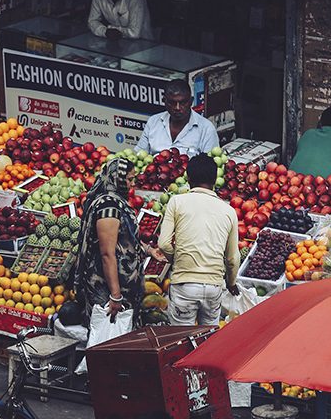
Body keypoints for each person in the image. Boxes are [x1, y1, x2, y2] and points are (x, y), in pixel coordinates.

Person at [72, 156, 165, 327]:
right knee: (108, 340)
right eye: (129, 179)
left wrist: (149, 250)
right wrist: (115, 295)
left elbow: (125, 240)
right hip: (108, 291)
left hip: (123, 289)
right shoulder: (108, 207)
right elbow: (108, 254)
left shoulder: (116, 202)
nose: (132, 184)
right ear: (116, 178)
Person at [158, 152, 240, 326]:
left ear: (188, 178)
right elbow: (232, 258)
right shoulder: (229, 211)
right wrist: (231, 282)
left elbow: (164, 243)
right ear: (214, 179)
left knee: (181, 340)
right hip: (214, 287)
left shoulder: (176, 202)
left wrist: (179, 260)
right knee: (208, 342)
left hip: (184, 285)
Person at [136, 81, 218, 158]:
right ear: (165, 101)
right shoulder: (153, 122)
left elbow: (209, 166)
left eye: (183, 103)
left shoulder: (206, 129)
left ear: (191, 101)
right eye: (172, 103)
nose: (177, 108)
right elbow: (140, 155)